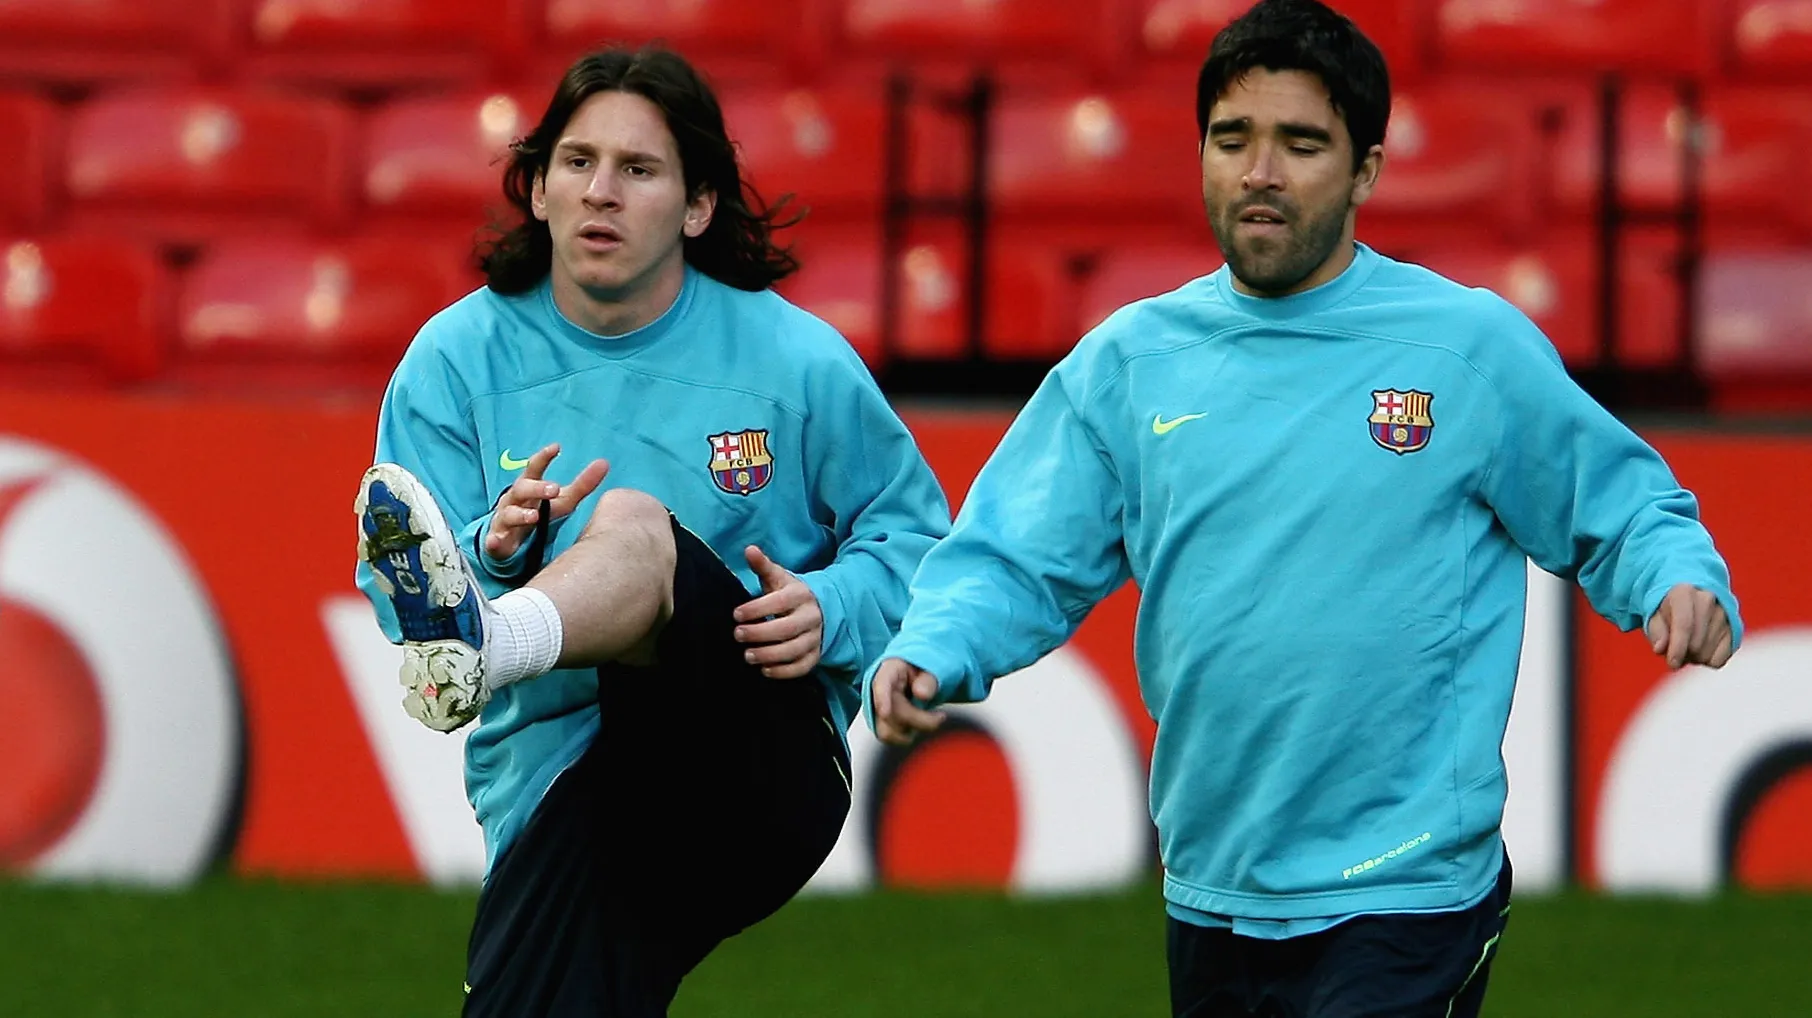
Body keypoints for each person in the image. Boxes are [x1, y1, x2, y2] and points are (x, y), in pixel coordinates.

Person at [865, 2, 1741, 1016]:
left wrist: (1677, 577)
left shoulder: (1464, 348)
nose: (1261, 172)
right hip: (1213, 884)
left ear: (1366, 169)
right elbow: (1017, 550)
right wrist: (935, 642)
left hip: (1408, 889)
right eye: (1233, 139)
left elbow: (1620, 501)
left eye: (1302, 142)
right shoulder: (1130, 360)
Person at [351, 46, 950, 1017]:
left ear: (697, 204)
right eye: (577, 163)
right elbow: (398, 576)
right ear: (537, 188)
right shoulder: (453, 361)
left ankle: (491, 641)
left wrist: (830, 607)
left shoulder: (792, 358)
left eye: (639, 169)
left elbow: (919, 539)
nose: (602, 192)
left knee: (632, 523)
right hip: (562, 781)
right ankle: (483, 632)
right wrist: (487, 547)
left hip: (756, 741)